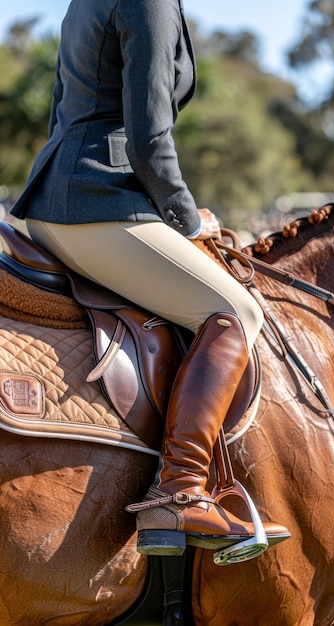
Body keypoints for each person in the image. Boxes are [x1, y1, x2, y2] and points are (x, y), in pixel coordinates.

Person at [11, 0, 290, 558]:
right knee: (237, 313)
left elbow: (64, 112)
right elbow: (149, 134)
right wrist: (185, 219)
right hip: (98, 204)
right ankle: (181, 491)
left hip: (57, 198)